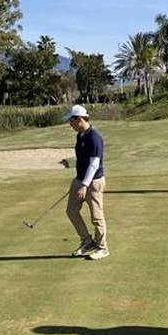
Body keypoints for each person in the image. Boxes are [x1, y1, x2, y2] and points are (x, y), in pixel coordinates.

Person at [63, 104, 109, 260]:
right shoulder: (80, 136)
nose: (70, 124)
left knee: (96, 216)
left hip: (94, 182)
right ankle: (87, 241)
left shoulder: (94, 138)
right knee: (71, 211)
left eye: (72, 121)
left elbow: (94, 164)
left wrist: (84, 185)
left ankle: (102, 247)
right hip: (80, 180)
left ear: (80, 119)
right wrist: (78, 181)